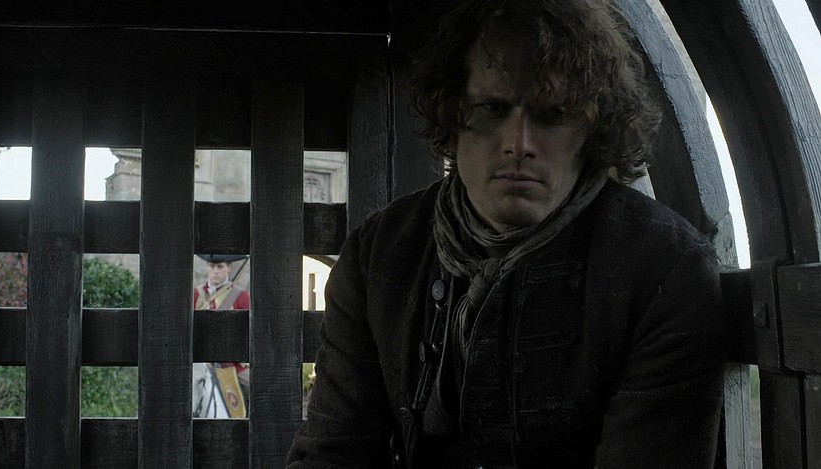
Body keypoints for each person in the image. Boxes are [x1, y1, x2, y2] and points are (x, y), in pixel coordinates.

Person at [287, 0, 726, 467]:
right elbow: (334, 453)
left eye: (552, 114)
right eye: (494, 109)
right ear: (452, 113)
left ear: (593, 127)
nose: (519, 144)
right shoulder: (379, 254)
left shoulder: (662, 269)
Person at [193, 254, 250, 418]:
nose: (215, 271)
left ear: (229, 268)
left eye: (220, 267)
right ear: (207, 267)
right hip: (200, 363)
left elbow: (246, 332)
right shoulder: (195, 295)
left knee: (259, 388)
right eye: (212, 266)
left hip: (231, 364)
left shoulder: (241, 297)